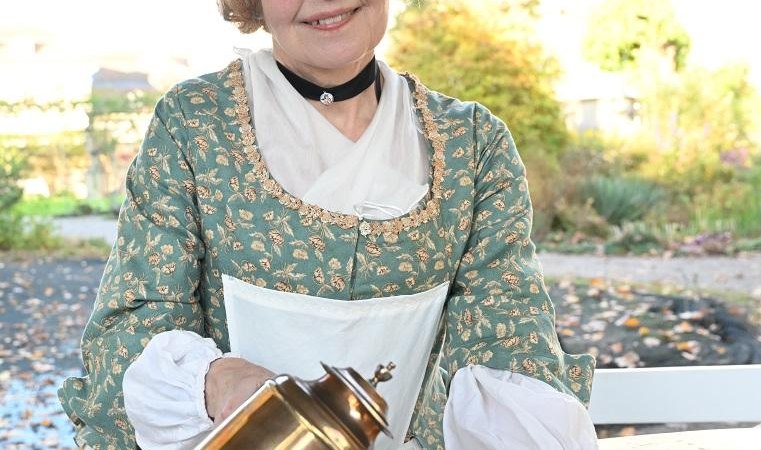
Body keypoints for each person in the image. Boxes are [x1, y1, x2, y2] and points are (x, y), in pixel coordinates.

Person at [58, 1, 598, 449]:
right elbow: (133, 328)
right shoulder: (195, 122)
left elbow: (510, 341)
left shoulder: (473, 144)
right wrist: (220, 384)